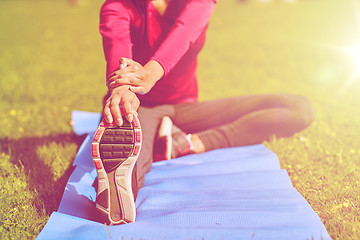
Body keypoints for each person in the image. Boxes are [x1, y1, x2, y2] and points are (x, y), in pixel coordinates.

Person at [91, 0, 314, 225]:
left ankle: (188, 142)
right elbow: (117, 46)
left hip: (186, 108)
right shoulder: (118, 6)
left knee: (299, 109)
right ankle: (115, 193)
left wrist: (150, 73)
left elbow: (184, 32)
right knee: (125, 168)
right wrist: (121, 90)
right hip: (140, 107)